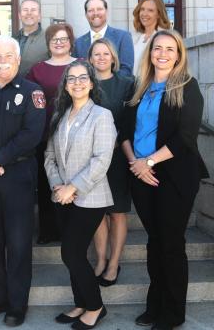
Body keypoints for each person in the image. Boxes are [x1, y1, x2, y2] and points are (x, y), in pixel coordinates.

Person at [120, 30, 209, 330]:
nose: (163, 53)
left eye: (170, 49)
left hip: (174, 177)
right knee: (154, 242)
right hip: (141, 175)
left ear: (179, 54)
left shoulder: (187, 86)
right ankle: (154, 306)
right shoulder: (140, 87)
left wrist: (150, 161)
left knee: (170, 244)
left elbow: (185, 137)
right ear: (150, 52)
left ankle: (173, 313)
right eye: (158, 47)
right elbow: (124, 132)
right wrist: (136, 164)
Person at [0, 35, 46, 327]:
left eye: (7, 56)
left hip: (18, 177)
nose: (2, 61)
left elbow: (32, 135)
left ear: (18, 59)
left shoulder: (32, 92)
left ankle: (17, 305)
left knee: (17, 244)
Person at [45, 60, 116, 330]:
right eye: (71, 78)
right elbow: (49, 156)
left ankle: (96, 306)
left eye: (82, 77)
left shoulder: (101, 115)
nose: (77, 82)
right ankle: (81, 302)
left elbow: (102, 160)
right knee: (73, 254)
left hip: (90, 196)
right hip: (61, 196)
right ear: (65, 84)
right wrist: (56, 186)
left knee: (71, 253)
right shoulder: (60, 115)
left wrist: (72, 187)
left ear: (91, 82)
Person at [88, 38, 135, 286]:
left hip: (117, 156)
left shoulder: (127, 84)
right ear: (90, 59)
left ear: (113, 58)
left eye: (106, 54)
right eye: (97, 54)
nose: (102, 58)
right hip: (90, 158)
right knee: (97, 213)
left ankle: (114, 262)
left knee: (116, 212)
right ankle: (100, 260)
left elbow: (129, 121)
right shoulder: (84, 83)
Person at [26, 23, 77, 245]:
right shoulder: (37, 70)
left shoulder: (81, 65)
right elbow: (31, 102)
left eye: (64, 38)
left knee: (72, 180)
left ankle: (72, 231)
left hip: (76, 135)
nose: (59, 42)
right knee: (47, 182)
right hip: (45, 134)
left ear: (70, 42)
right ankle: (48, 230)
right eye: (55, 39)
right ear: (48, 43)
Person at [73, 0, 134, 76]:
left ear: (106, 11)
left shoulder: (123, 37)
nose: (95, 13)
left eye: (99, 9)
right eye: (91, 10)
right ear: (86, 14)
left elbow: (126, 70)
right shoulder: (78, 43)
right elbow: (76, 71)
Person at [131, 0, 170, 75]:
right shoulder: (134, 38)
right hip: (131, 84)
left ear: (159, 14)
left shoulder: (164, 38)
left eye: (150, 10)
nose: (144, 14)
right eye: (142, 9)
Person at [14, 0, 49, 76]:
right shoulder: (12, 39)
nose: (29, 13)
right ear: (19, 15)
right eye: (25, 10)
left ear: (39, 16)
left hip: (38, 87)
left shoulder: (49, 39)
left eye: (33, 10)